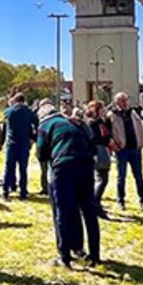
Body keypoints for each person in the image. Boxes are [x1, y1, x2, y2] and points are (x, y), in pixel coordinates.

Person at [36, 102, 100, 268]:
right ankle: (94, 254)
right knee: (88, 210)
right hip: (86, 165)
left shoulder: (44, 126)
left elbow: (41, 154)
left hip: (63, 168)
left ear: (42, 116)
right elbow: (91, 144)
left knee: (63, 211)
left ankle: (64, 256)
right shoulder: (72, 123)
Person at [109, 91, 143, 212]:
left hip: (135, 150)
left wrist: (141, 142)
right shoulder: (112, 115)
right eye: (122, 100)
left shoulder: (133, 113)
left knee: (139, 176)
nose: (125, 102)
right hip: (122, 150)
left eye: (126, 99)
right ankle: (120, 200)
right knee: (121, 176)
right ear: (117, 102)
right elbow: (108, 132)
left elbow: (140, 127)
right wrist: (114, 145)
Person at [2, 93, 37, 199]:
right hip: (24, 143)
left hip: (12, 143)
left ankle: (5, 191)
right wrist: (33, 138)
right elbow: (37, 124)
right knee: (23, 169)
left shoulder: (10, 111)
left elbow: (5, 116)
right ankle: (23, 192)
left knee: (9, 168)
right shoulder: (29, 112)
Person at [84, 100, 113, 218]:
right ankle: (95, 205)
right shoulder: (91, 123)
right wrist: (107, 140)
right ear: (94, 110)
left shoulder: (101, 121)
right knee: (102, 179)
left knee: (102, 178)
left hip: (103, 151)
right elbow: (95, 139)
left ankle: (96, 204)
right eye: (101, 109)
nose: (104, 110)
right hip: (98, 152)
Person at [35, 99, 59, 195]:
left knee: (51, 169)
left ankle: (51, 187)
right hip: (45, 146)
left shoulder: (47, 121)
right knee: (44, 169)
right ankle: (45, 187)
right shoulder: (39, 117)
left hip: (51, 148)